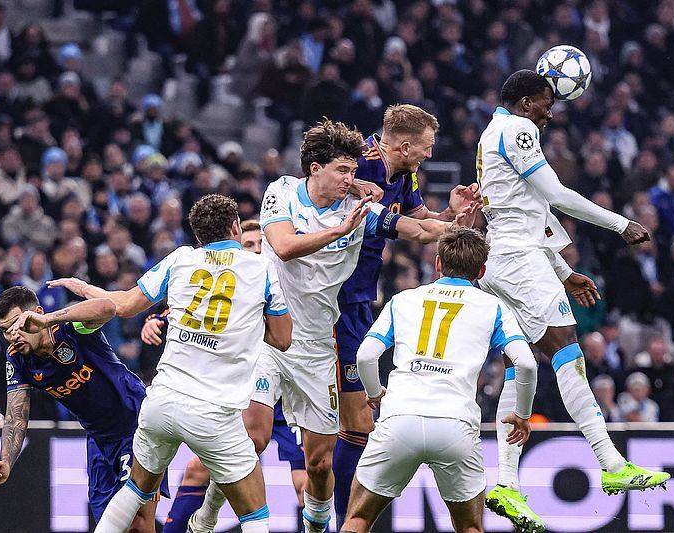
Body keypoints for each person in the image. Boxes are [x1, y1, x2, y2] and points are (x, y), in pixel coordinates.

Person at [195, 119, 477, 533]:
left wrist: (457, 223)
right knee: (253, 438)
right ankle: (207, 515)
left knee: (319, 462)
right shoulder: (282, 192)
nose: (351, 179)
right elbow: (284, 247)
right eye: (343, 171)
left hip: (316, 345)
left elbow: (417, 229)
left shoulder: (361, 211)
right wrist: (340, 231)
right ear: (315, 169)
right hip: (268, 335)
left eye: (353, 171)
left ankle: (316, 525)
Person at [476, 70, 670, 528]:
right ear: (526, 103)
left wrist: (563, 272)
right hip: (520, 261)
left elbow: (526, 210)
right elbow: (556, 196)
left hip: (501, 260)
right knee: (567, 351)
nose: (550, 113)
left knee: (520, 365)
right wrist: (620, 224)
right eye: (546, 104)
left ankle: (507, 483)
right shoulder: (518, 129)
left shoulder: (490, 134)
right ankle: (610, 462)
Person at [49, 194, 292, 533]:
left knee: (135, 491)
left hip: (161, 402)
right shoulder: (261, 267)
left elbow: (124, 306)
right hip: (212, 413)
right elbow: (282, 338)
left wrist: (85, 288)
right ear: (236, 227)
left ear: (198, 236)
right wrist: (241, 324)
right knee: (255, 516)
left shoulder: (180, 258)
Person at [333, 103, 480, 526]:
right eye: (426, 147)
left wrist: (451, 215)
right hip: (330, 299)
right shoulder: (359, 163)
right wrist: (467, 233)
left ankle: (338, 520)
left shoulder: (403, 173)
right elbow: (415, 231)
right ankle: (341, 519)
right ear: (403, 146)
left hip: (358, 298)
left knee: (355, 426)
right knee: (352, 424)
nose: (429, 154)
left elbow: (419, 221)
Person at [340, 227, 537, 533]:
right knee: (470, 528)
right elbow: (526, 363)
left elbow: (365, 356)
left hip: (400, 418)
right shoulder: (493, 307)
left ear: (438, 263)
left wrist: (374, 392)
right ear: (481, 271)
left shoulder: (403, 300)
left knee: (358, 519)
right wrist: (522, 414)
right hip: (455, 424)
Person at [144, 220, 307, 533]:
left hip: (290, 391)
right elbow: (192, 310)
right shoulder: (233, 281)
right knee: (202, 467)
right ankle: (199, 519)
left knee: (308, 481)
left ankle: (207, 516)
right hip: (244, 387)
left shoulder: (286, 277)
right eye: (249, 245)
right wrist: (155, 320)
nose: (256, 250)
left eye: (262, 245)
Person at [0, 287, 168, 530]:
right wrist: (6, 462)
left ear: (36, 313)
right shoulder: (17, 358)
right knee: (110, 525)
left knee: (138, 520)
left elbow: (107, 307)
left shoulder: (70, 328)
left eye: (18, 324)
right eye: (6, 330)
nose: (13, 335)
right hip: (99, 440)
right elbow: (16, 416)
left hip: (135, 423)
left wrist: (49, 319)